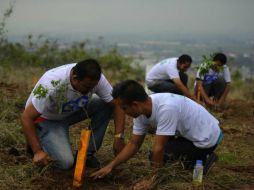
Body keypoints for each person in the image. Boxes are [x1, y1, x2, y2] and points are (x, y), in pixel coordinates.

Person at [90, 80, 223, 189]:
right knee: (157, 156)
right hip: (188, 134)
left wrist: (153, 180)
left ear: (135, 104)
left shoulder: (167, 108)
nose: (124, 113)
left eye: (124, 108)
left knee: (163, 156)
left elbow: (158, 148)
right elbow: (134, 144)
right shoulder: (142, 110)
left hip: (207, 138)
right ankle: (196, 157)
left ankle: (205, 158)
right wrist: (110, 166)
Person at [21, 59, 125, 170]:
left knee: (105, 103)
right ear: (75, 78)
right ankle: (38, 139)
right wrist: (37, 151)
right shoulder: (51, 83)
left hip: (71, 110)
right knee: (65, 163)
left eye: (93, 87)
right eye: (86, 87)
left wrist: (118, 138)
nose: (90, 90)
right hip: (47, 119)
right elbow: (26, 117)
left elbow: (117, 104)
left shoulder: (95, 80)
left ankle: (86, 154)